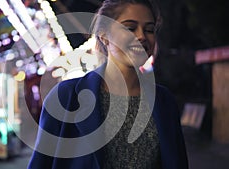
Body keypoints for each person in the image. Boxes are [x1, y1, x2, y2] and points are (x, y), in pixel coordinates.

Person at [28, 0, 188, 168]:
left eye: (149, 30)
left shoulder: (164, 101)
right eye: (130, 28)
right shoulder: (66, 97)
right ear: (104, 36)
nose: (141, 36)